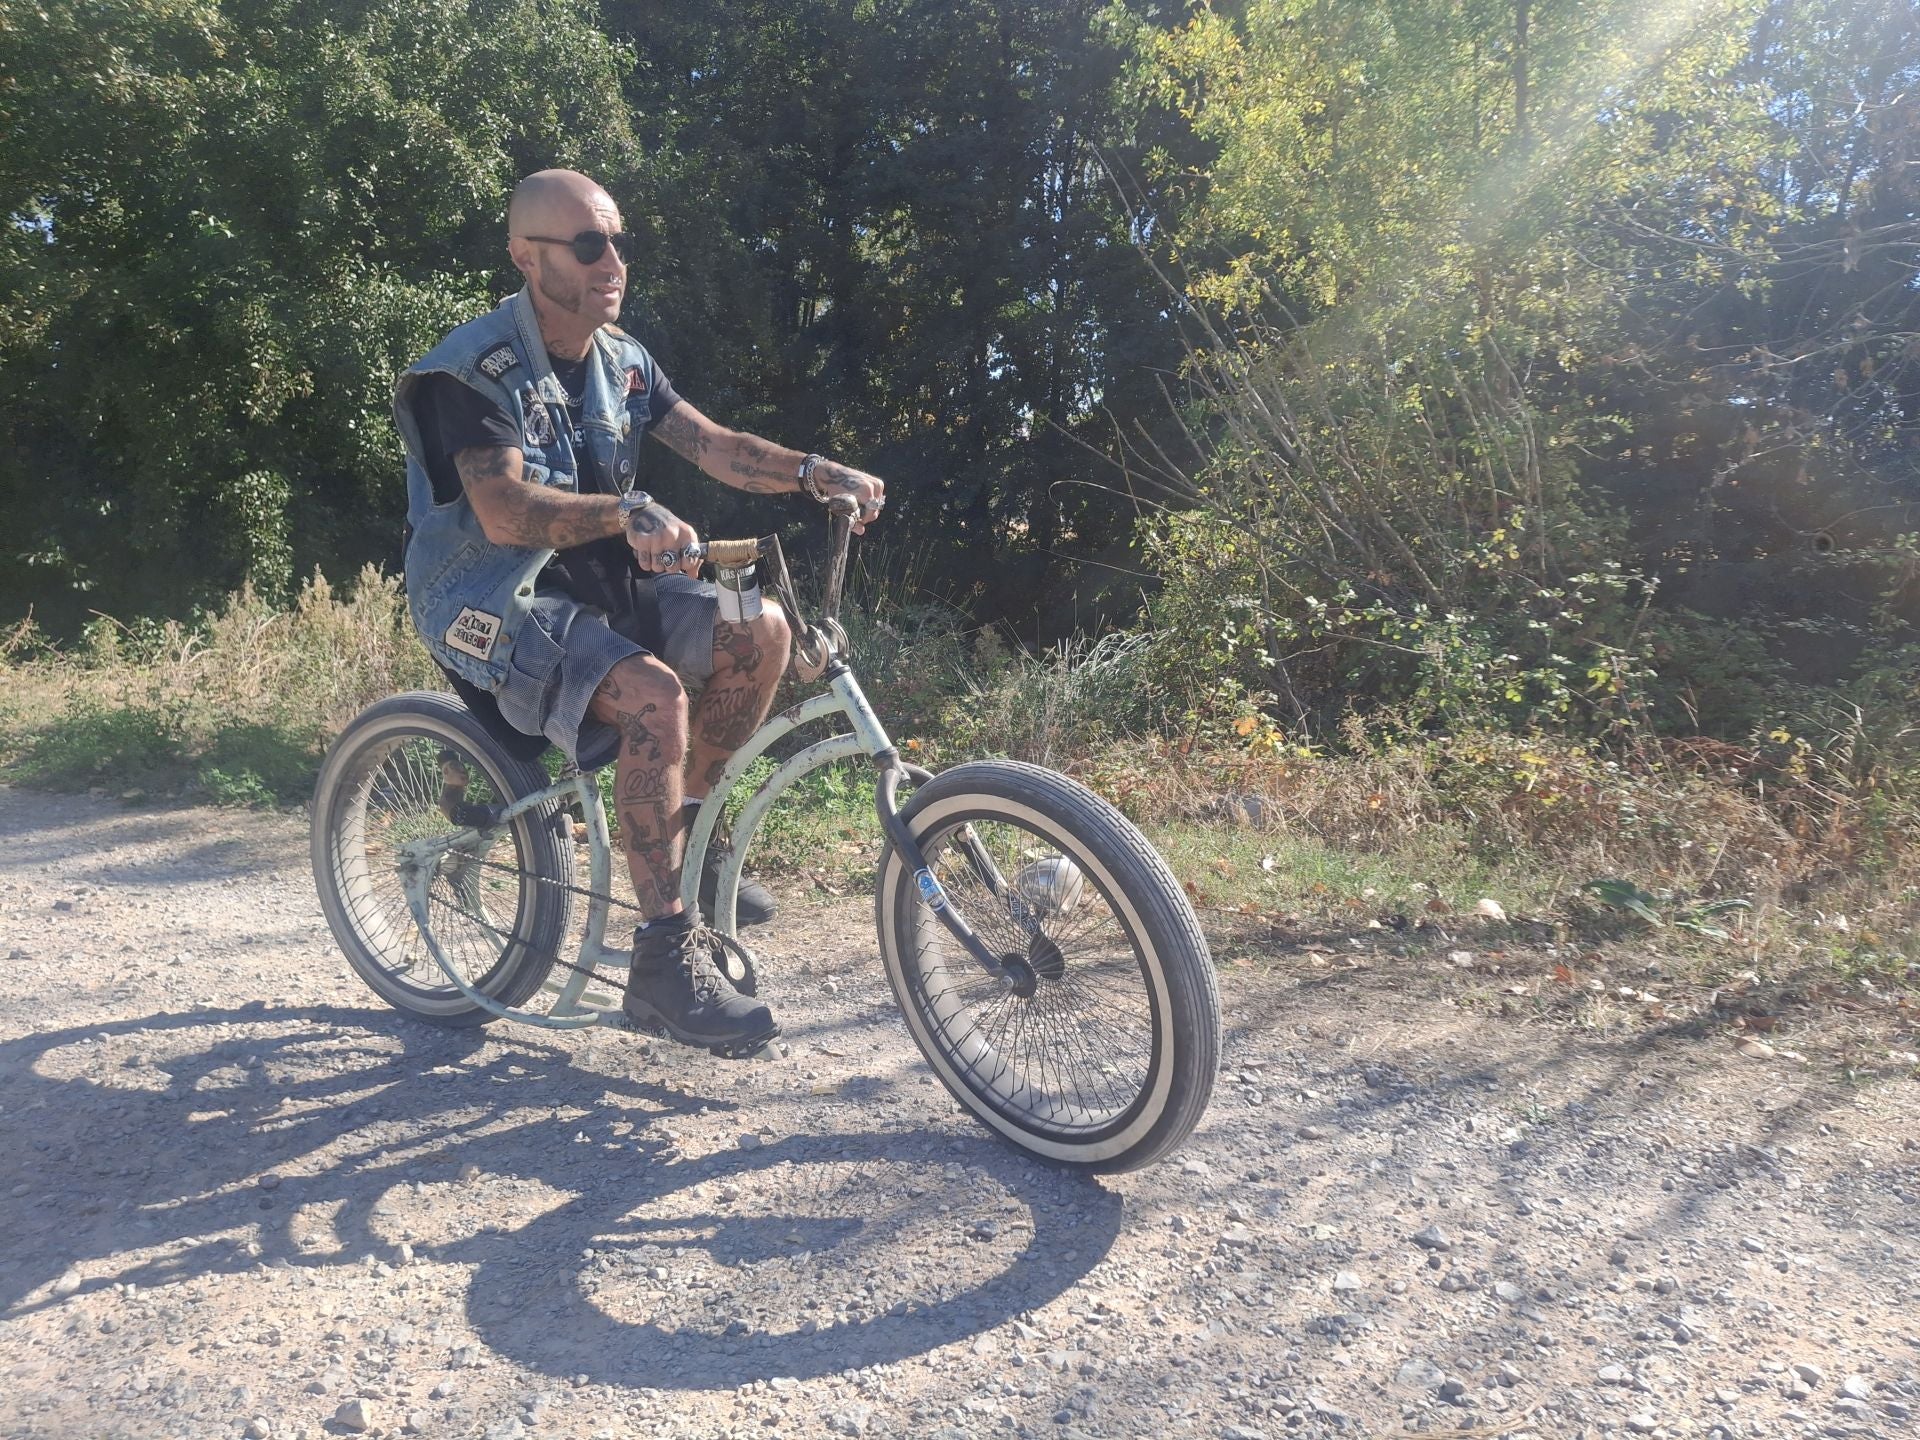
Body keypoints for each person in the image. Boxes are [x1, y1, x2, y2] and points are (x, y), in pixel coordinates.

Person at [394, 169, 886, 1055]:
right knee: (654, 698)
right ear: (525, 256)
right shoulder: (465, 372)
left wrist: (815, 472)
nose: (612, 260)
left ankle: (682, 858)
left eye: (617, 240)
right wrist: (627, 515)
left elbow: (716, 447)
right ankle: (661, 964)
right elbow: (504, 512)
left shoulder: (622, 359)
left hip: (600, 580)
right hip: (491, 597)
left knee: (761, 629)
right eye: (588, 244)